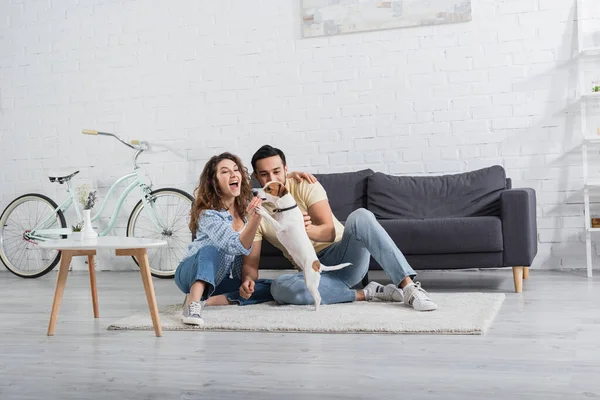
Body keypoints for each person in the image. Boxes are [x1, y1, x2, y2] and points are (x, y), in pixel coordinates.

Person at [247, 145, 438, 312]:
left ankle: (409, 288)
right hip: (310, 268)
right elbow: (251, 264)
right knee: (279, 289)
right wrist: (247, 281)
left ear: (286, 169)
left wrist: (306, 229)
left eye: (277, 171)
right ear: (256, 177)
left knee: (360, 216)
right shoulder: (256, 212)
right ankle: (369, 293)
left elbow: (329, 232)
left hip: (343, 255)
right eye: (264, 174)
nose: (272, 178)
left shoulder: (304, 184)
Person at [174, 152, 273, 325]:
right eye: (225, 172)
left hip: (223, 280)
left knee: (271, 288)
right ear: (214, 181)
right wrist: (254, 222)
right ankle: (193, 303)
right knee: (211, 249)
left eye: (236, 170)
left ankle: (209, 301)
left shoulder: (245, 212)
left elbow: (274, 187)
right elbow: (232, 245)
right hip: (191, 272)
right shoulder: (208, 214)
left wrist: (246, 283)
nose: (234, 174)